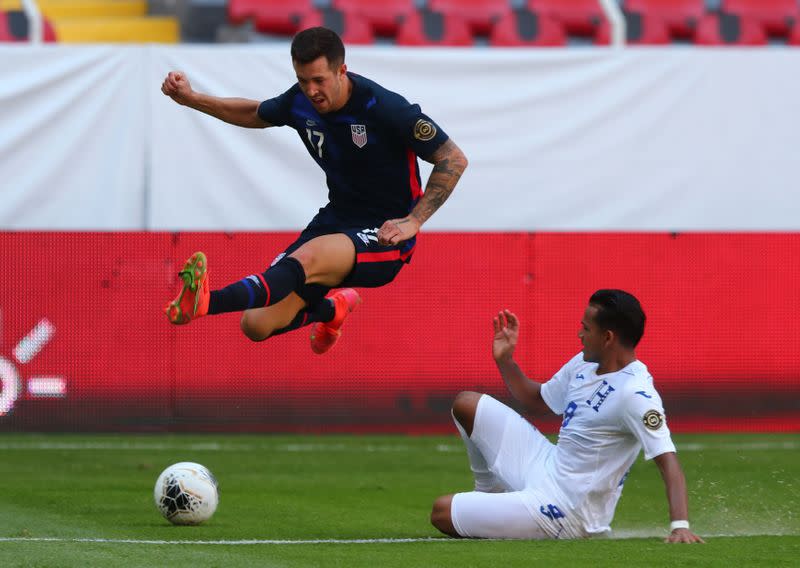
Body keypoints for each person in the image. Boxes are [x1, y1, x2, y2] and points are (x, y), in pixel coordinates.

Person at [160, 26, 467, 354]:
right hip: (335, 221)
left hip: (385, 234)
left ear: (341, 71)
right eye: (303, 80)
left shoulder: (383, 107)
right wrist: (191, 99)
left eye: (319, 80)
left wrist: (413, 221)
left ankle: (207, 301)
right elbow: (254, 112)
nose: (311, 90)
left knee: (308, 256)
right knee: (256, 324)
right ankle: (332, 310)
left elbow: (452, 158)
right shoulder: (299, 101)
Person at [430, 290, 705, 543]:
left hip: (566, 510)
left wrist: (679, 525)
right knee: (467, 404)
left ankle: (497, 513)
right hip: (546, 465)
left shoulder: (635, 395)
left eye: (586, 328)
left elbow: (667, 460)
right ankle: (490, 496)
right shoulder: (584, 363)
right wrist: (506, 361)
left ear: (608, 337)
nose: (579, 334)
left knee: (442, 511)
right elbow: (535, 400)